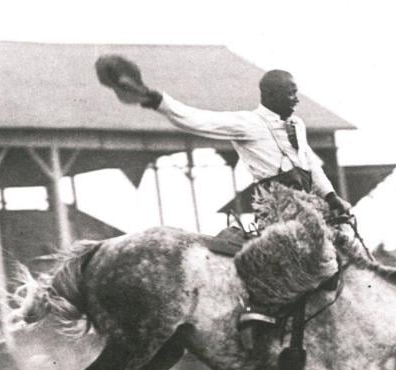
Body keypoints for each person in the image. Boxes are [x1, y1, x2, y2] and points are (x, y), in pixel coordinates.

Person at [97, 57, 354, 334]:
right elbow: (196, 120)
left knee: (346, 248)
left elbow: (311, 166)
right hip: (279, 208)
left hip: (309, 205)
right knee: (312, 254)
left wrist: (331, 197)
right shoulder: (246, 123)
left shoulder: (298, 125)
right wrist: (156, 99)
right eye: (290, 92)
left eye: (296, 92)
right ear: (269, 95)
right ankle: (259, 309)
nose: (296, 98)